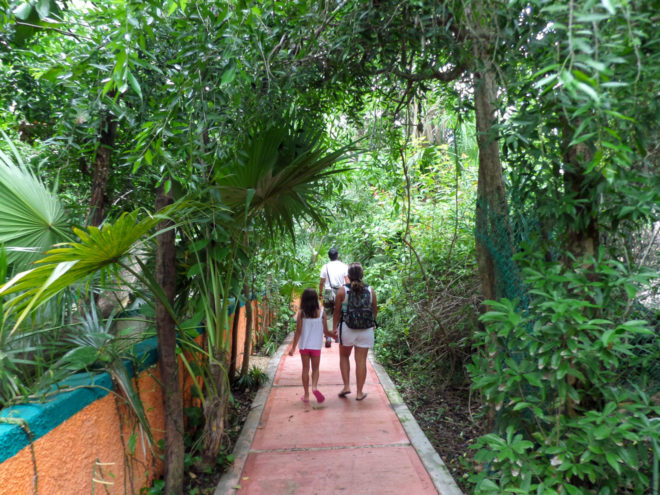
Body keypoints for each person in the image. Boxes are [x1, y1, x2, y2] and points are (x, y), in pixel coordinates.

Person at [333, 263, 377, 401]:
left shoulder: (342, 291)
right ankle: (359, 392)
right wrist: (372, 323)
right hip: (366, 329)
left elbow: (336, 312)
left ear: (349, 276)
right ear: (362, 275)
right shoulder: (370, 290)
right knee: (361, 361)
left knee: (344, 356)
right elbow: (374, 310)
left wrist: (334, 327)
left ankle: (347, 386)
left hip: (347, 328)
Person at [288, 288, 333, 404]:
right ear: (315, 299)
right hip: (316, 346)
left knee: (305, 369)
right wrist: (334, 336)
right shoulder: (322, 312)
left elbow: (298, 331)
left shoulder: (301, 313)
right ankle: (314, 387)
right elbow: (326, 332)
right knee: (316, 369)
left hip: (304, 346)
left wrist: (293, 348)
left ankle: (306, 395)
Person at [319, 247, 349, 348]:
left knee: (328, 314)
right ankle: (337, 335)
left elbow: (322, 282)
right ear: (338, 255)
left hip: (328, 292)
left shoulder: (325, 267)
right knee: (340, 313)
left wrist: (320, 293)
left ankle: (328, 336)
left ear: (329, 256)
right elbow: (347, 280)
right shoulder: (344, 266)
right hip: (341, 292)